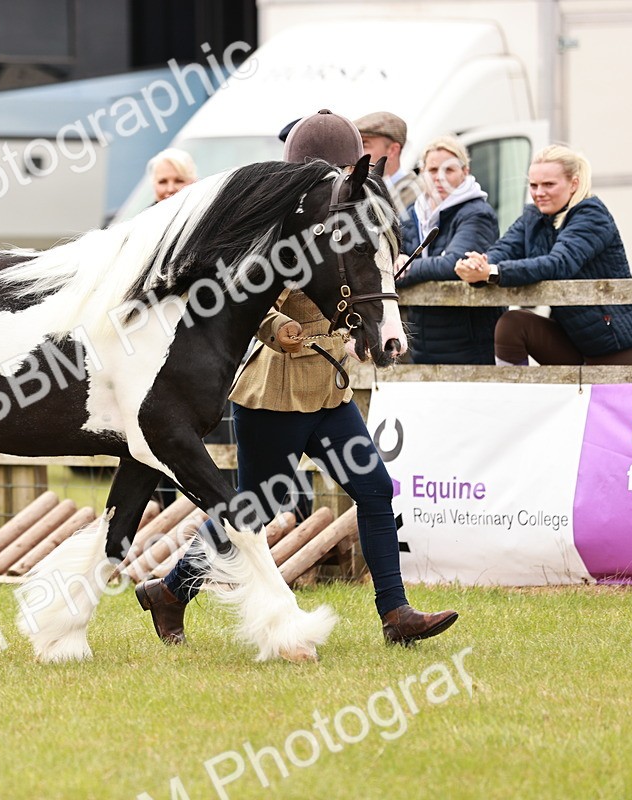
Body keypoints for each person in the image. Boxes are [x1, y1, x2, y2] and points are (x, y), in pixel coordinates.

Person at [136, 109, 458, 649]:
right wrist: (274, 323)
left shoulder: (348, 215)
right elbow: (231, 293)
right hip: (276, 391)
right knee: (254, 508)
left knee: (374, 488)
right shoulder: (269, 217)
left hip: (330, 388)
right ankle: (170, 592)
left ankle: (396, 614)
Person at [455, 145, 632, 365]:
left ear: (574, 184)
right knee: (512, 324)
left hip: (615, 342)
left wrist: (490, 272)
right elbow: (503, 249)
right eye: (533, 185)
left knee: (622, 401)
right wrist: (477, 264)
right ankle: (512, 397)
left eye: (548, 184)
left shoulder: (592, 215)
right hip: (571, 337)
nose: (539, 193)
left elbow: (559, 264)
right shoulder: (533, 217)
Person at [144, 148, 235, 507]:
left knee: (214, 446)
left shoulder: (214, 226)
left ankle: (213, 526)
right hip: (155, 358)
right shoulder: (142, 228)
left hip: (208, 353)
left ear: (193, 183)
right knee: (163, 442)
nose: (169, 189)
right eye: (162, 181)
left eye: (177, 180)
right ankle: (169, 517)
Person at [396, 136, 502, 364]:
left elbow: (454, 264)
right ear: (422, 172)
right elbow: (389, 268)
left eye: (449, 170)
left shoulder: (477, 212)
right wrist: (399, 264)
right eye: (432, 169)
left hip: (468, 342)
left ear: (465, 171)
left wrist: (408, 266)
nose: (439, 177)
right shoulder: (412, 212)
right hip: (422, 341)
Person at [355, 111, 424, 214]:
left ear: (392, 150)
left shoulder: (419, 194)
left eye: (364, 145)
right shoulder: (355, 191)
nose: (356, 152)